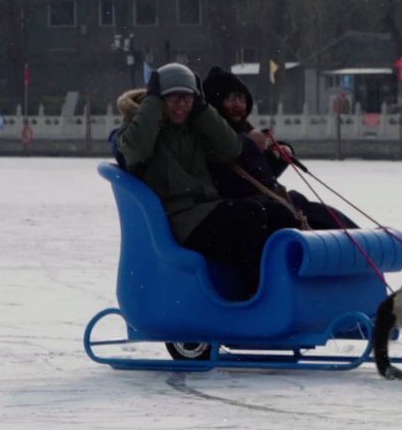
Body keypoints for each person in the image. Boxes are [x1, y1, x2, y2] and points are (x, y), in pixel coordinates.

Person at [115, 62, 299, 299]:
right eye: (174, 98)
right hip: (179, 219)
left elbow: (231, 149)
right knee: (250, 215)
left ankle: (288, 289)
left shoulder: (194, 127)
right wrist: (152, 103)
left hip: (208, 210)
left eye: (188, 98)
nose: (182, 105)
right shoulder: (139, 128)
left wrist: (202, 109)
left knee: (278, 212)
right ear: (159, 99)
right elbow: (135, 151)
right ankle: (255, 297)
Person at [200, 65, 356, 229]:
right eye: (231, 99)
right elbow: (233, 177)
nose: (238, 105)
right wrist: (249, 144)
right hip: (245, 207)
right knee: (285, 214)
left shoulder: (245, 129)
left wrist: (277, 156)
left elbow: (260, 173)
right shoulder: (213, 137)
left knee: (319, 212)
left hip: (270, 197)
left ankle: (359, 241)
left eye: (242, 99)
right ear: (216, 102)